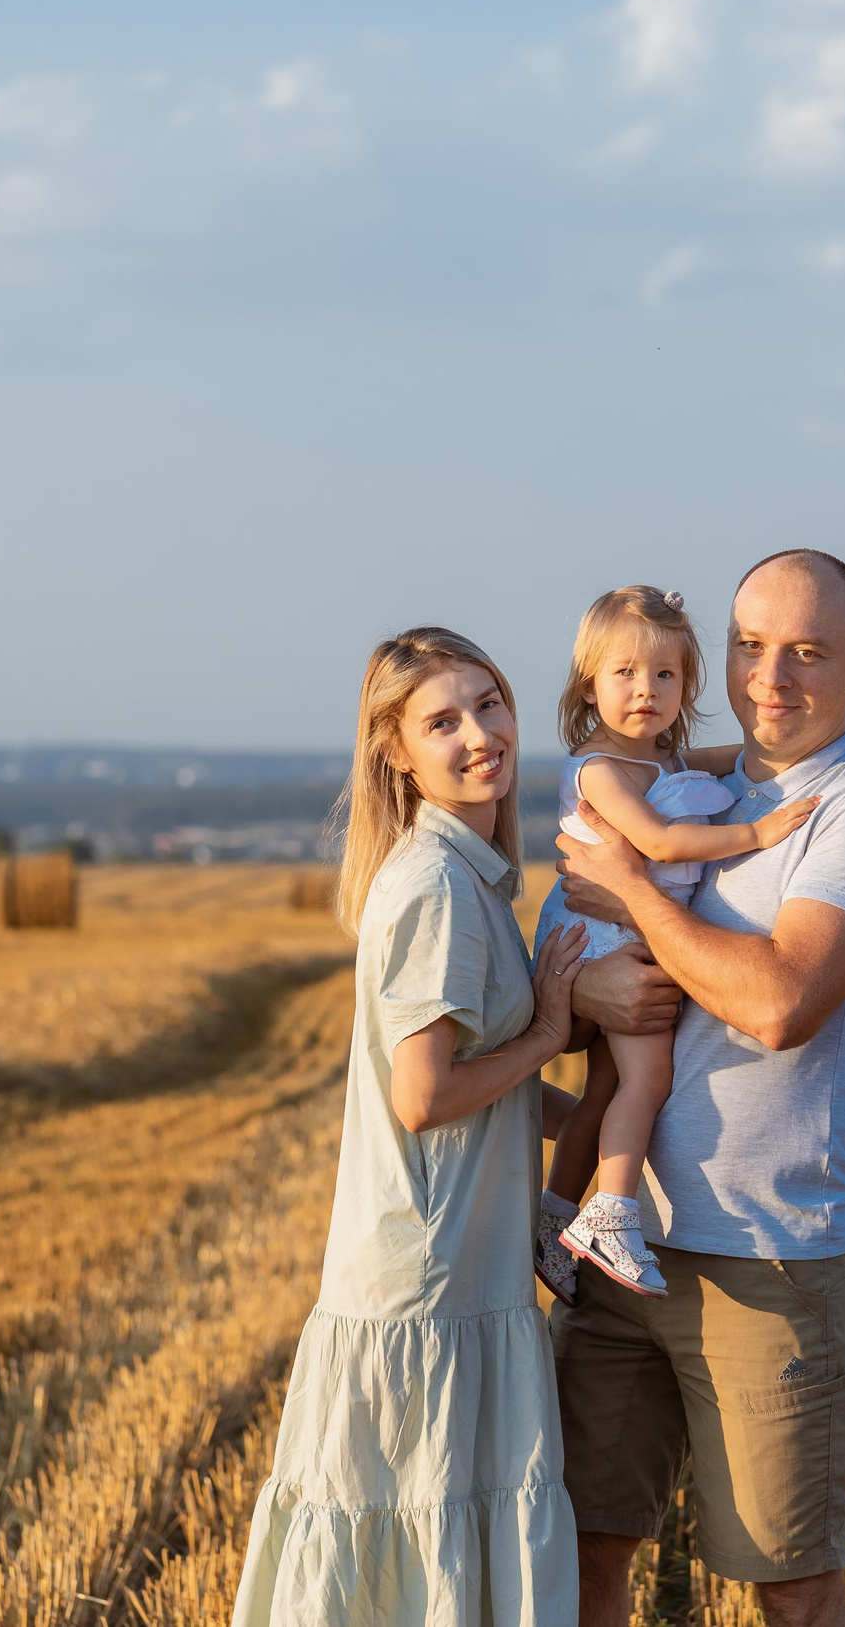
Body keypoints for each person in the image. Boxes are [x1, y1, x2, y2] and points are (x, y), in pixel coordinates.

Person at [549, 550, 845, 1627]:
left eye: (807, 652)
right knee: (580, 1548)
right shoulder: (695, 790)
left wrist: (631, 889)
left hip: (766, 1259)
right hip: (624, 1247)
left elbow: (777, 1005)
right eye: (751, 647)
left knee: (790, 1585)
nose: (771, 677)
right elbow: (584, 996)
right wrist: (582, 984)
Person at [232, 627, 593, 1627]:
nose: (479, 733)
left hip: (457, 1276)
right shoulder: (436, 886)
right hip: (429, 1289)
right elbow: (426, 1096)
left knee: (426, 1565)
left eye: (489, 702)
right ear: (394, 750)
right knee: (416, 1572)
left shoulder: (468, 876)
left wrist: (615, 1139)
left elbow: (494, 1090)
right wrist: (551, 1033)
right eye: (442, 722)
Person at [530, 586, 818, 1302]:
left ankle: (553, 1216)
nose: (646, 689)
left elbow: (733, 757)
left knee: (604, 1089)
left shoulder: (661, 758)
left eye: (666, 674)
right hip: (608, 937)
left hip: (622, 928)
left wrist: (779, 751)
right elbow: (658, 842)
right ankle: (611, 1213)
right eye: (625, 672)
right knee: (648, 1080)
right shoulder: (600, 769)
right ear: (588, 685)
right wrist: (756, 832)